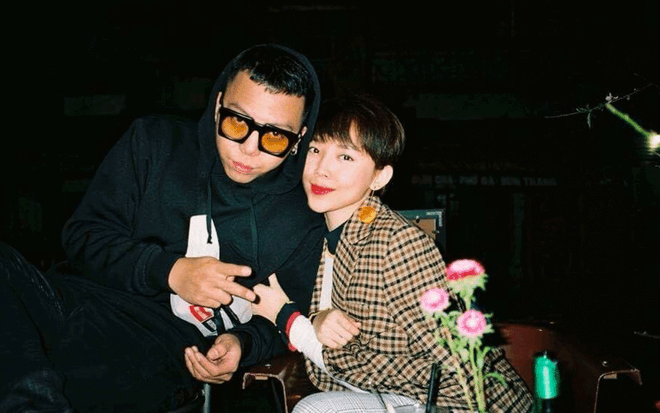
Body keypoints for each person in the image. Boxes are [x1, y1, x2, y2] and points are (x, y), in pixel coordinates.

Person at [0, 44, 325, 412]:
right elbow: (82, 236)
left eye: (275, 136)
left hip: (165, 348)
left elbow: (292, 317)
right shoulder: (154, 142)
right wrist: (170, 271)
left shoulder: (306, 217)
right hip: (74, 301)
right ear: (218, 106)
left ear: (299, 138)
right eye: (237, 122)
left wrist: (241, 343)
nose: (249, 148)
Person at [252, 95, 534, 412]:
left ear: (379, 176)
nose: (321, 170)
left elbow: (455, 368)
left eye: (345, 157)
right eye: (315, 150)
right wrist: (314, 321)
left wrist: (291, 321)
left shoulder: (398, 244)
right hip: (399, 396)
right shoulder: (322, 236)